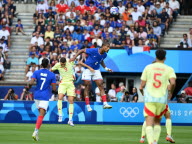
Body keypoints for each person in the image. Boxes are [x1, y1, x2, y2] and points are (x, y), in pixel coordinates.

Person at [139, 49, 176, 144]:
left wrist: (143, 93)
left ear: (155, 57)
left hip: (150, 99)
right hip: (162, 100)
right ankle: (160, 138)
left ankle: (149, 140)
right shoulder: (169, 69)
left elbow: (141, 86)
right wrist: (171, 92)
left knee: (148, 122)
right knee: (158, 122)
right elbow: (172, 83)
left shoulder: (148, 67)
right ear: (165, 58)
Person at [71, 42, 113, 112]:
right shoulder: (93, 50)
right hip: (87, 69)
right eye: (107, 47)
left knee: (101, 85)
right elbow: (82, 50)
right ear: (103, 46)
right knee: (87, 86)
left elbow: (101, 61)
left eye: (109, 47)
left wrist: (106, 68)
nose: (108, 49)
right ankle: (88, 105)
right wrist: (74, 57)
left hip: (96, 70)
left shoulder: (105, 55)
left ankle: (105, 103)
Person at [29, 58, 57, 141]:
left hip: (37, 95)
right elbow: (54, 88)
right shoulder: (52, 75)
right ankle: (35, 131)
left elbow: (31, 82)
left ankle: (36, 132)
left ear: (41, 64)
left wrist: (28, 87)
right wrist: (54, 91)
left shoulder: (36, 72)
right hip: (45, 96)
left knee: (41, 113)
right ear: (48, 65)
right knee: (42, 114)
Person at [51, 57, 76, 126]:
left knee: (71, 101)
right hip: (62, 83)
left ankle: (70, 120)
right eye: (61, 64)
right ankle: (60, 115)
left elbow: (75, 59)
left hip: (70, 83)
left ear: (65, 62)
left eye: (63, 64)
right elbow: (51, 70)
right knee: (60, 97)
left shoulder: (70, 62)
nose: (62, 65)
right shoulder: (57, 65)